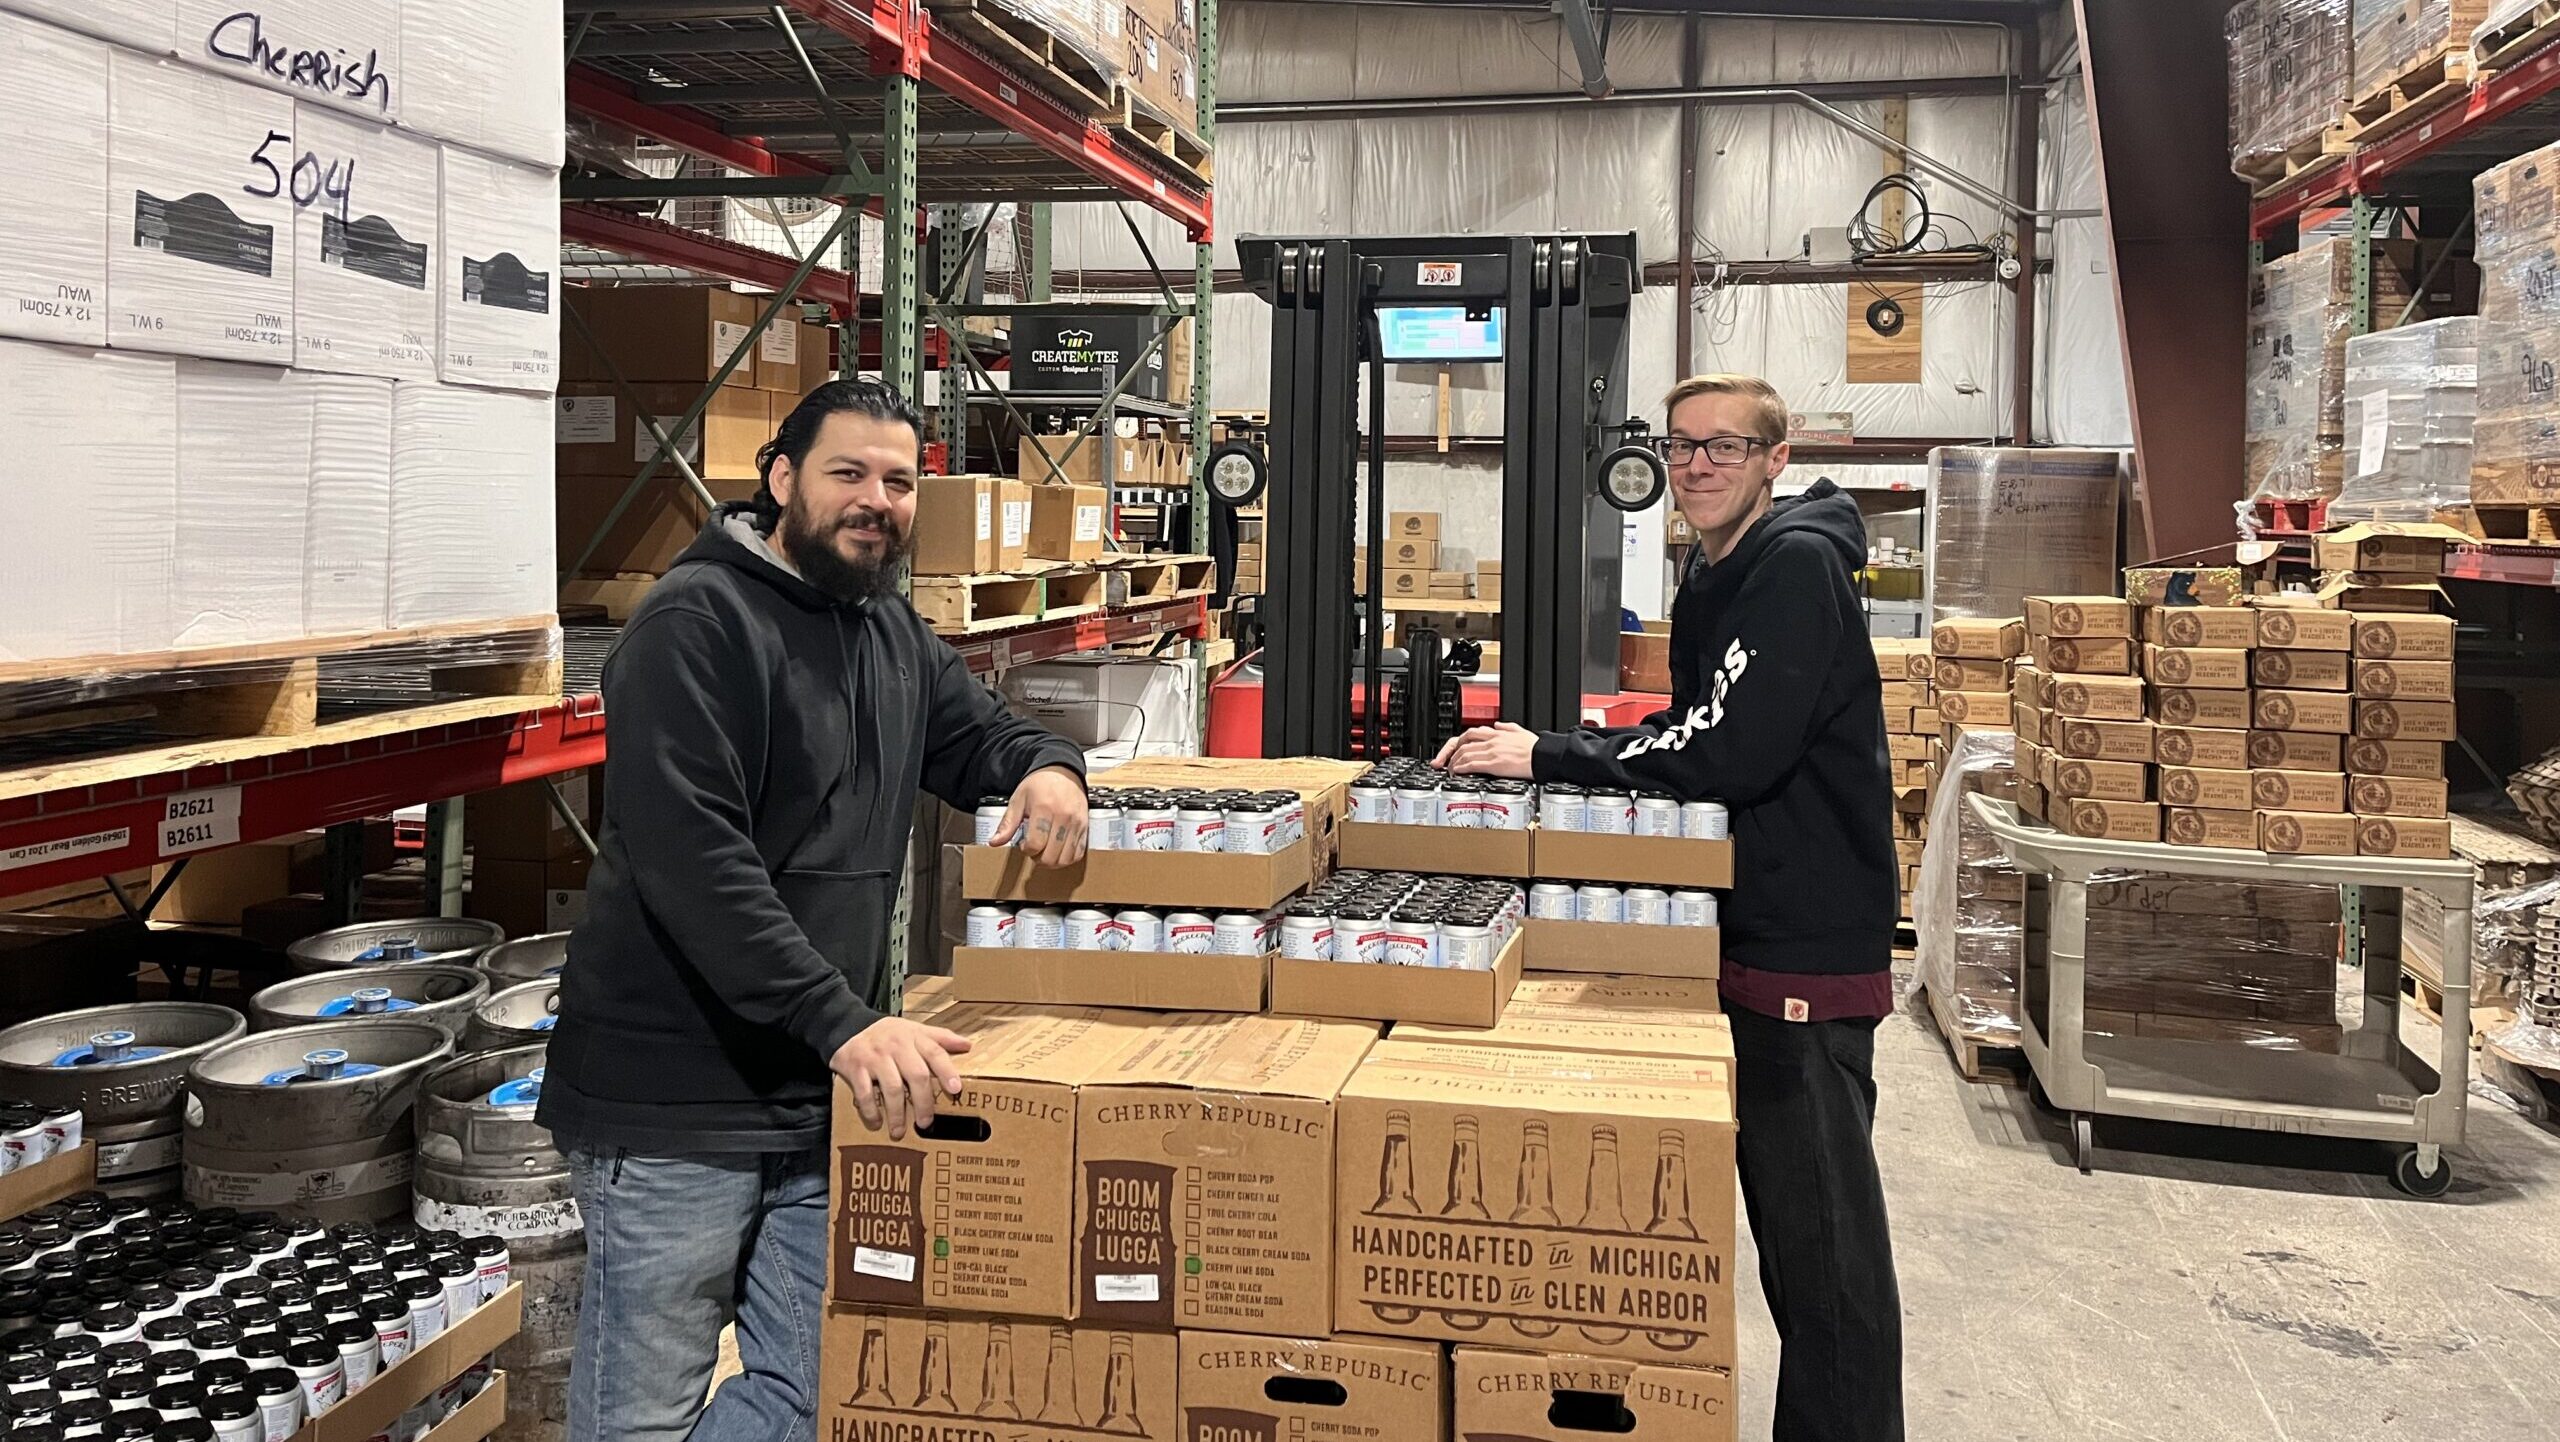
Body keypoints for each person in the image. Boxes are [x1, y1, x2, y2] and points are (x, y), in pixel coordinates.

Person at [540, 379, 1092, 1442]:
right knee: (640, 1413)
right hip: (674, 1109)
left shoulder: (885, 629)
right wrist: (843, 1020)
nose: (874, 499)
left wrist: (1051, 769)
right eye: (848, 472)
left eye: (897, 481)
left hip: (818, 1097)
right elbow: (696, 863)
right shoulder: (694, 623)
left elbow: (982, 734)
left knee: (816, 1388)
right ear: (783, 478)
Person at [1437, 373, 1904, 1441]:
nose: (1695, 466)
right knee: (1792, 1239)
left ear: (1774, 460)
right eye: (1682, 446)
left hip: (1803, 940)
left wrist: (1554, 753)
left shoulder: (1791, 568)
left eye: (1723, 448)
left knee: (1824, 1252)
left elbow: (1732, 748)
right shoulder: (1719, 572)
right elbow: (1702, 724)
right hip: (1746, 920)